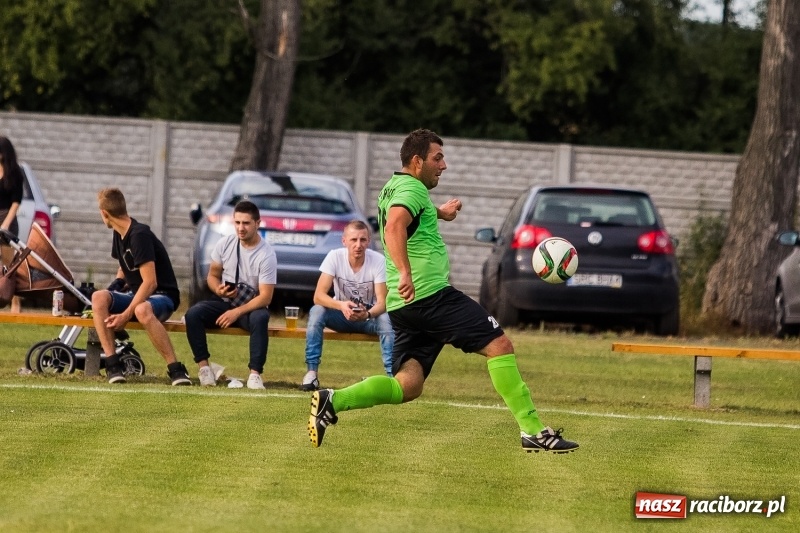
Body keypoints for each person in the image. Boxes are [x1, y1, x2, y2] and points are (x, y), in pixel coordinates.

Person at [308, 129, 579, 453]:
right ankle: (534, 431)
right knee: (500, 345)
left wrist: (440, 213)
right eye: (438, 158)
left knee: (408, 385)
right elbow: (395, 225)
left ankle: (333, 400)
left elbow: (407, 213)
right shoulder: (411, 189)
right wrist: (406, 271)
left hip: (403, 303)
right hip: (429, 294)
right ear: (417, 160)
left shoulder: (396, 186)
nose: (444, 165)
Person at [92, 187, 192, 385]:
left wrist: (124, 315)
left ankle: (176, 370)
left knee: (142, 309)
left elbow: (150, 282)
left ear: (104, 213)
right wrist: (114, 286)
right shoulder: (119, 233)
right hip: (137, 293)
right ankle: (113, 366)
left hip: (162, 295)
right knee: (98, 297)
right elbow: (124, 263)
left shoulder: (139, 235)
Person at [184, 200, 277, 389]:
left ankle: (255, 375)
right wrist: (218, 289)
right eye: (237, 223)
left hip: (251, 307)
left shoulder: (267, 254)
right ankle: (204, 369)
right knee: (192, 314)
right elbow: (212, 275)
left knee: (261, 317)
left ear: (257, 224)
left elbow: (266, 297)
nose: (240, 228)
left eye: (246, 223)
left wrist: (237, 312)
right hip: (224, 302)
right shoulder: (225, 243)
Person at [301, 219, 394, 391]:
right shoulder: (334, 256)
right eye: (353, 240)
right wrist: (341, 305)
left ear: (368, 241)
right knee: (317, 311)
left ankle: (392, 377)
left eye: (363, 240)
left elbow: (383, 303)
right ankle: (311, 373)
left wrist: (367, 314)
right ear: (344, 241)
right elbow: (318, 296)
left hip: (368, 318)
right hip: (341, 316)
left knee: (386, 319)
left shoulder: (378, 261)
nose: (358, 245)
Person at [0, 137, 24, 313]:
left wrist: (6, 223)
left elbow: (16, 201)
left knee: (10, 264)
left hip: (7, 216)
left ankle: (16, 302)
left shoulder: (15, 172)